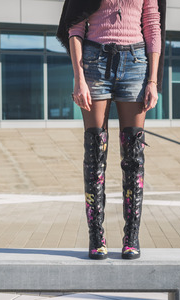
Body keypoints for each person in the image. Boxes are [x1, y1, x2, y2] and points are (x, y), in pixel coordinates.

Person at [57, 0, 166, 260]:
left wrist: (153, 80)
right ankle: (97, 238)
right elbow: (75, 27)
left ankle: (131, 238)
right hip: (94, 62)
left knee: (134, 157)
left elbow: (152, 26)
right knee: (94, 156)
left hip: (136, 62)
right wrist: (79, 78)